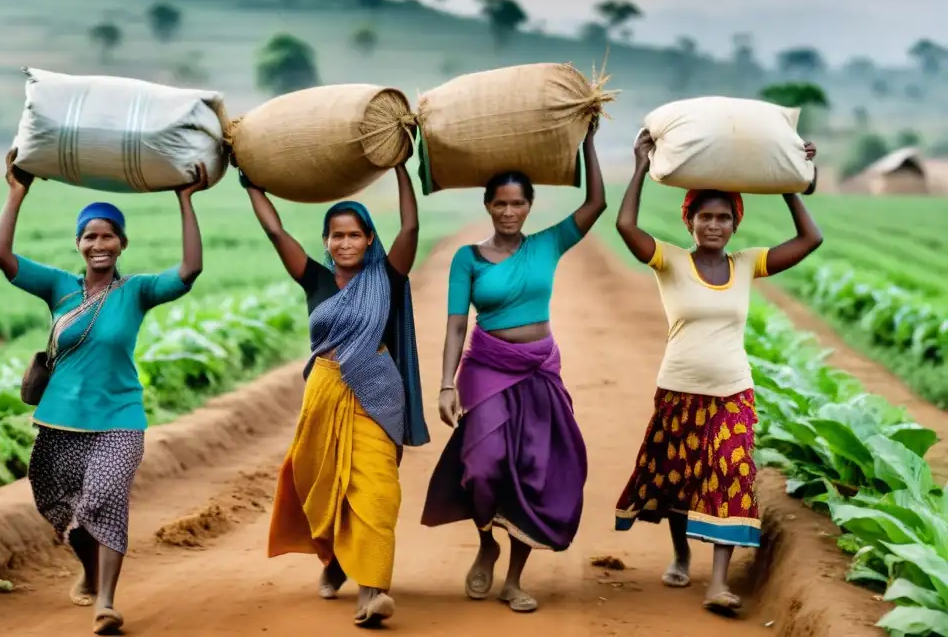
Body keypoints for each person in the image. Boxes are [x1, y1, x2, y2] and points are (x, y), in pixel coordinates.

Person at [0, 150, 208, 635]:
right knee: (66, 510)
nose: (99, 244)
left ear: (122, 243)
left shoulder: (138, 291)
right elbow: (0, 256)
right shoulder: (58, 288)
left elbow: (189, 269)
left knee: (104, 498)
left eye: (108, 235)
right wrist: (17, 191)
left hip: (119, 419)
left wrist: (184, 199)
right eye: (90, 236)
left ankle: (106, 602)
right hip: (60, 420)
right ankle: (88, 572)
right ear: (78, 244)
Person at [613, 131, 823, 616]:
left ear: (734, 224)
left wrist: (791, 180)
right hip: (678, 390)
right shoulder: (670, 261)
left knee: (730, 470)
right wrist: (641, 166)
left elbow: (811, 239)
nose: (714, 225)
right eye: (705, 216)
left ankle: (718, 583)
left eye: (723, 217)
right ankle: (683, 552)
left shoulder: (747, 265)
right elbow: (626, 225)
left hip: (732, 392)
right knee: (677, 479)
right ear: (690, 221)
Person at [421, 124, 606, 614]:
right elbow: (456, 325)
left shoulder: (547, 244)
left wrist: (588, 142)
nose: (508, 212)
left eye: (517, 204)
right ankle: (487, 541)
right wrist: (444, 383)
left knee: (533, 469)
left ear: (530, 205)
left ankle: (515, 578)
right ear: (488, 205)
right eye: (500, 204)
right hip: (485, 367)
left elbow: (596, 205)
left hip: (540, 368)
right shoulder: (469, 259)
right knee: (483, 468)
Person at [242, 161, 429, 628]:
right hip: (324, 392)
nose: (345, 243)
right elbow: (275, 232)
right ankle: (334, 560)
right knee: (322, 486)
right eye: (336, 235)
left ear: (369, 239)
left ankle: (373, 591)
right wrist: (253, 183)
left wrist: (401, 167)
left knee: (377, 490)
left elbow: (410, 225)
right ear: (326, 241)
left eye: (354, 235)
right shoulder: (315, 280)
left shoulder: (387, 275)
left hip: (377, 395)